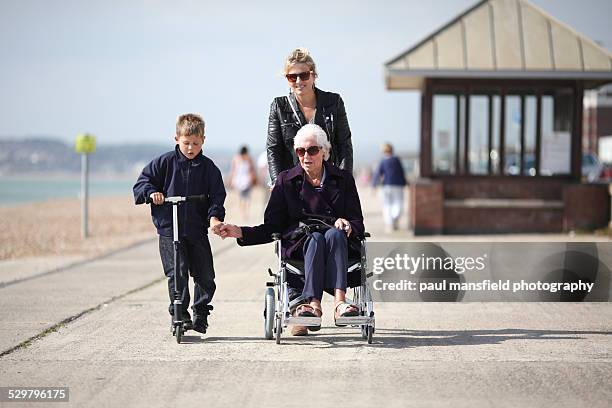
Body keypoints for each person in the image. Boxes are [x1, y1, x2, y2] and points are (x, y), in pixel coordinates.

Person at [214, 124, 365, 336]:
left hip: (337, 244)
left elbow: (358, 221)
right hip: (301, 244)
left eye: (312, 150)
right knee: (315, 239)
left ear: (324, 151)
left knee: (333, 233)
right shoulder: (286, 180)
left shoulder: (343, 179)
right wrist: (240, 231)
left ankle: (340, 304)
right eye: (300, 151)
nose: (306, 156)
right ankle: (314, 305)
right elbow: (272, 226)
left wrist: (348, 224)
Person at [133, 113, 226, 334]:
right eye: (186, 143)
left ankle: (200, 313)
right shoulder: (164, 163)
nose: (191, 148)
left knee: (205, 275)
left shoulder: (209, 168)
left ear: (203, 140)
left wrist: (214, 218)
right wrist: (152, 192)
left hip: (196, 229)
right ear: (176, 138)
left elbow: (217, 196)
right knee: (177, 272)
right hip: (169, 229)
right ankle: (180, 314)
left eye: (195, 143)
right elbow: (142, 183)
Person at [267, 47, 353, 185]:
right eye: (292, 77)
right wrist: (277, 184)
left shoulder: (333, 102)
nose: (298, 81)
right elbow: (273, 149)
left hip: (328, 182)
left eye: (304, 75)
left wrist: (345, 181)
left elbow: (344, 145)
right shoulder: (279, 106)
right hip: (293, 184)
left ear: (313, 75)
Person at [372, 143, 407, 232]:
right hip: (398, 185)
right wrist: (405, 183)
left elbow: (377, 174)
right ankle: (394, 219)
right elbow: (402, 173)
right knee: (398, 204)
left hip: (386, 186)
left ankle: (389, 223)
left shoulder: (383, 161)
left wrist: (374, 185)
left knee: (387, 205)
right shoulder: (396, 160)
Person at [229, 145, 257, 219]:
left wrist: (232, 179)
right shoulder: (248, 159)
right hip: (243, 180)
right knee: (245, 197)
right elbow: (252, 170)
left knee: (244, 197)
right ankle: (244, 212)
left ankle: (244, 212)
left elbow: (233, 170)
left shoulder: (238, 158)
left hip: (243, 180)